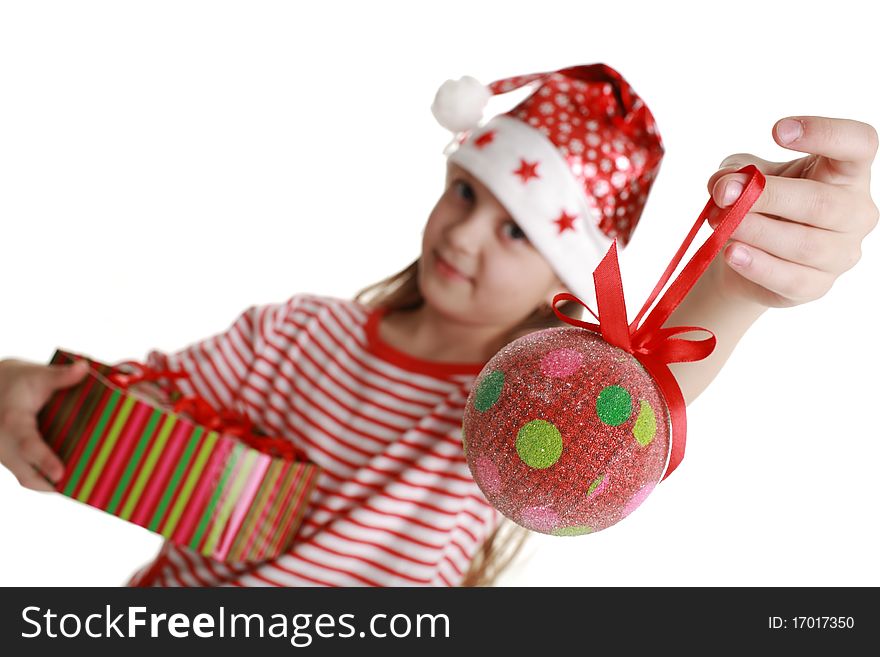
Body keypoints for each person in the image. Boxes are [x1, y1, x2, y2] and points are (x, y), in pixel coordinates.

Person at [0, 64, 876, 587]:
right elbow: (108, 403)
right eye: (465, 192)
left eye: (516, 230)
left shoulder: (529, 410)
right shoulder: (293, 335)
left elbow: (655, 386)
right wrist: (15, 384)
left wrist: (742, 272)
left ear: (571, 277)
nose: (461, 234)